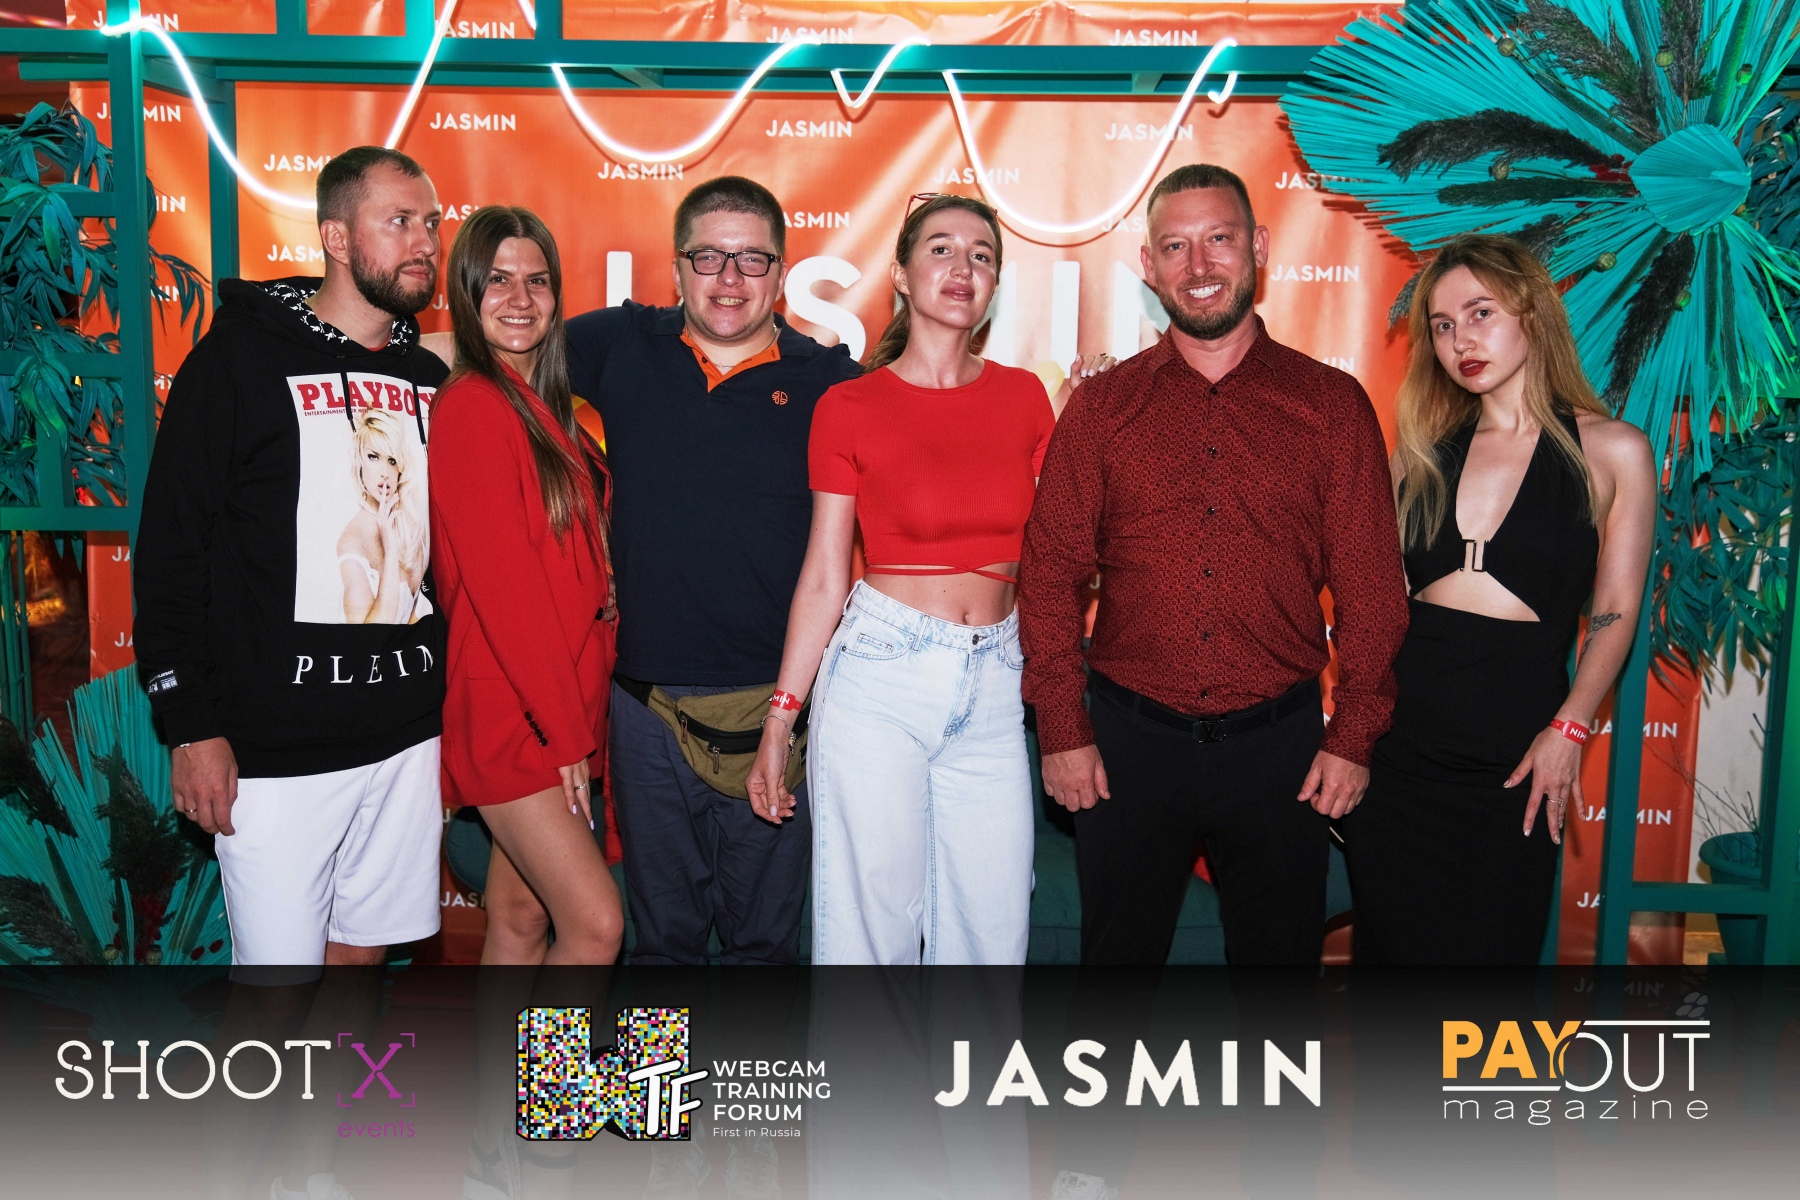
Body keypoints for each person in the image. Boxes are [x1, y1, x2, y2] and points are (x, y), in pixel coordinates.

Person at [134, 145, 448, 1200]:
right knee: (271, 999)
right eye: (400, 222)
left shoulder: (426, 377)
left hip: (404, 738)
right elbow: (171, 551)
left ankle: (315, 1175)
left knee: (360, 969)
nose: (424, 242)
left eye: (431, 223)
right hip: (273, 748)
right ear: (335, 237)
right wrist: (190, 722)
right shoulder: (236, 361)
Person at [1018, 163, 1411, 967]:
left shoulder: (1331, 406)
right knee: (1112, 988)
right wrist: (1062, 729)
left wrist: (1353, 737)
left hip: (1281, 752)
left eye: (1219, 239)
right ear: (1149, 265)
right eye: (1176, 246)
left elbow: (1373, 590)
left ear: (1258, 246)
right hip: (1127, 747)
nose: (1199, 265)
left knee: (1279, 995)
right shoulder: (1102, 409)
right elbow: (1050, 574)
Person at [746, 194, 1112, 964]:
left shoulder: (1025, 398)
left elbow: (1064, 556)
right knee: (869, 937)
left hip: (997, 681)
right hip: (881, 674)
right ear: (901, 276)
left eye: (982, 255)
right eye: (941, 248)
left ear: (994, 285)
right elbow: (824, 575)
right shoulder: (848, 406)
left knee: (993, 934)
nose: (962, 267)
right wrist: (782, 716)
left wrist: (1087, 431)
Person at [564, 175, 861, 970]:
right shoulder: (622, 344)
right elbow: (492, 351)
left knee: (763, 949)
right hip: (645, 708)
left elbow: (940, 432)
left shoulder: (832, 382)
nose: (729, 278)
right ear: (676, 268)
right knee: (661, 945)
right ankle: (662, 1065)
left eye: (752, 259)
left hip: (778, 708)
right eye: (709, 257)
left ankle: (745, 1065)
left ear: (782, 272)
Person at [1342, 233, 1655, 964]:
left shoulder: (1614, 451)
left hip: (1516, 762)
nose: (1461, 340)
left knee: (1487, 984)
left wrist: (1570, 728)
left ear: (1533, 314)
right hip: (1399, 761)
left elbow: (1615, 609)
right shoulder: (1419, 453)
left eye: (1480, 313)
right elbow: (1374, 603)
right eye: (1443, 325)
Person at [423, 205, 624, 968]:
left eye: (537, 281)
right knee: (597, 926)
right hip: (518, 711)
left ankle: (500, 1058)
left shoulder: (541, 408)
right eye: (498, 280)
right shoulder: (475, 406)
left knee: (518, 916)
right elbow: (507, 595)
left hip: (557, 697)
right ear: (466, 293)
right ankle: (559, 1061)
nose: (520, 298)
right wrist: (565, 732)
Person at [338, 408, 428, 623]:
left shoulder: (413, 526)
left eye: (392, 460)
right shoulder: (352, 540)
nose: (385, 473)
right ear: (359, 461)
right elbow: (367, 634)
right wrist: (390, 548)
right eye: (374, 456)